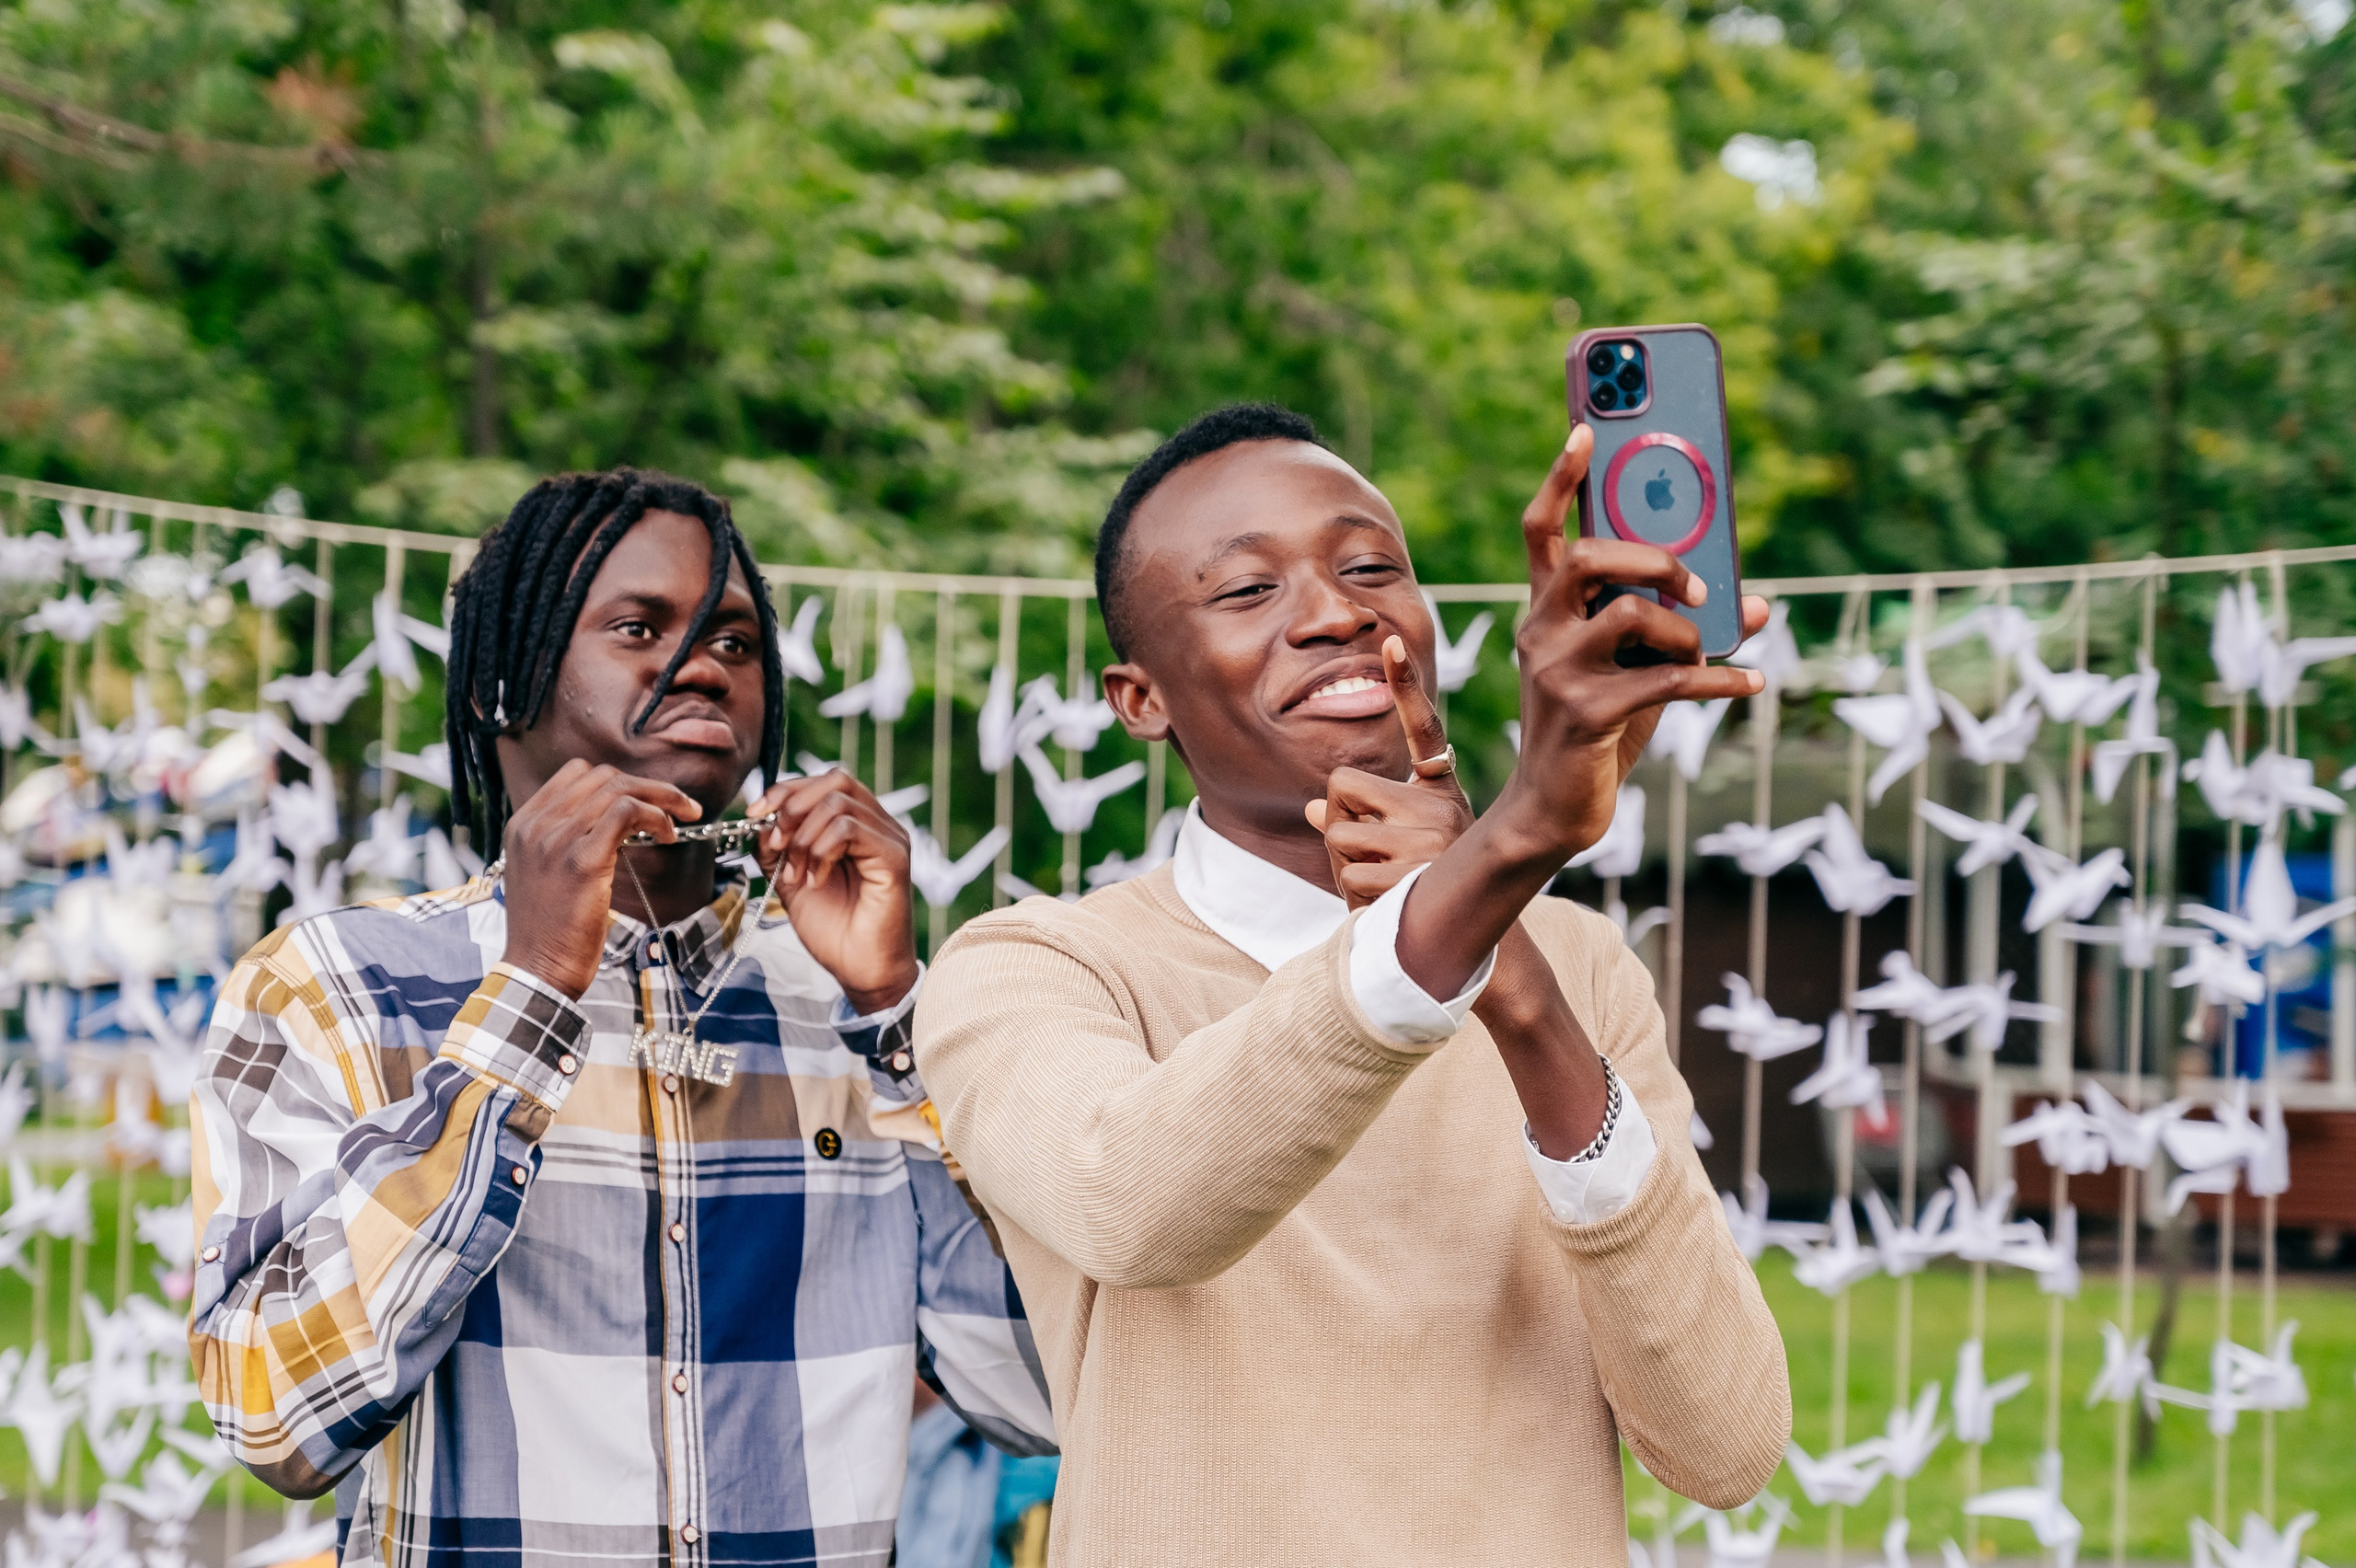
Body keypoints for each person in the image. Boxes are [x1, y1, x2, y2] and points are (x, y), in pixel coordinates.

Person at [915, 405, 1791, 1562]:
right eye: (1247, 591)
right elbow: (1130, 1206)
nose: (1336, 613)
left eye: (1372, 569)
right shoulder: (1030, 967)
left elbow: (1724, 1447)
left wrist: (1519, 987)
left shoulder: (1576, 966)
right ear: (1140, 699)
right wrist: (1497, 861)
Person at [190, 468, 1053, 1568]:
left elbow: (1043, 1398)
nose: (702, 665)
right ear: (498, 685)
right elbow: (275, 1417)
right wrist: (534, 991)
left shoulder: (851, 1000)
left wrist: (892, 1014)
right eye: (640, 627)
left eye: (735, 642)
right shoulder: (332, 983)